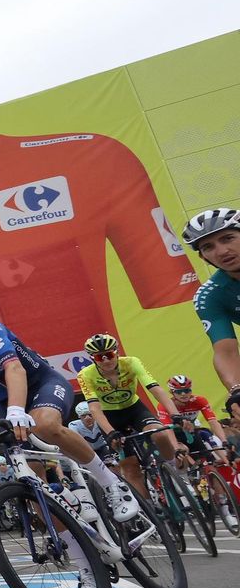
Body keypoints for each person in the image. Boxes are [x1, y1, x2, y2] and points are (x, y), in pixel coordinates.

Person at [0, 288, 141, 588]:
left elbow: (13, 367)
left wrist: (19, 409)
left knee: (44, 425)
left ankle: (112, 483)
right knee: (37, 491)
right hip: (8, 402)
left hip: (41, 384)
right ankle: (86, 567)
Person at [74, 333, 181, 496]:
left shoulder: (131, 362)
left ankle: (175, 472)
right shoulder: (85, 375)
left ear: (116, 351)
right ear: (92, 358)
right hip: (109, 417)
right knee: (130, 469)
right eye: (99, 357)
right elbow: (94, 408)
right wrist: (110, 432)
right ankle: (152, 513)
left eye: (109, 354)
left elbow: (155, 388)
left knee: (160, 435)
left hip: (134, 409)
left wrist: (175, 414)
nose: (106, 360)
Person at [186, 208, 240, 399]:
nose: (222, 251)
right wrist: (236, 390)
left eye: (228, 238)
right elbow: (226, 352)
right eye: (208, 247)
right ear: (203, 257)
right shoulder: (209, 296)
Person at [157, 374, 224, 444]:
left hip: (191, 431)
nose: (183, 394)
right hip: (174, 435)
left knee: (210, 438)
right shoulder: (164, 405)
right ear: (171, 392)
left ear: (191, 390)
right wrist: (176, 447)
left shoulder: (199, 400)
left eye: (186, 390)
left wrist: (224, 441)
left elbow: (212, 421)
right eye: (178, 392)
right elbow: (168, 430)